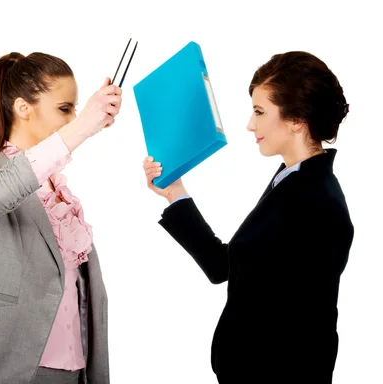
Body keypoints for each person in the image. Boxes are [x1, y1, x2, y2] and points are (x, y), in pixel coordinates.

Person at [142, 51, 354, 383]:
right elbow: (226, 265)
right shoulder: (290, 179)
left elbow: (310, 332)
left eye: (259, 111)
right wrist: (174, 192)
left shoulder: (317, 201)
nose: (250, 124)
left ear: (297, 119)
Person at [0, 51, 122, 384]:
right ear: (23, 108)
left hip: (76, 367)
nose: (73, 117)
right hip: (12, 369)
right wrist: (84, 126)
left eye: (75, 108)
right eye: (65, 108)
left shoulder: (59, 187)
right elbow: (0, 194)